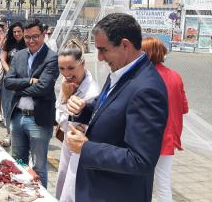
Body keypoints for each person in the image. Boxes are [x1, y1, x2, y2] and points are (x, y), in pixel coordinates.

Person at [66, 13, 168, 202]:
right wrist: (82, 109)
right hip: (97, 189)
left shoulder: (146, 89)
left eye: (103, 50)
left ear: (125, 45)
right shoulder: (121, 71)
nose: (100, 57)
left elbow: (141, 160)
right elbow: (103, 108)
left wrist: (86, 148)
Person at [4, 19, 59, 187]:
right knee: (18, 163)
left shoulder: (51, 58)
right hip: (17, 115)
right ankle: (20, 194)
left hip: (39, 119)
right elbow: (8, 82)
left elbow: (43, 88)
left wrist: (19, 88)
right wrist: (30, 81)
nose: (31, 41)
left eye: (35, 36)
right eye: (27, 37)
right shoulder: (19, 55)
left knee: (39, 166)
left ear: (44, 35)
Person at [141, 37, 189, 202]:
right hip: (168, 137)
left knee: (140, 181)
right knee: (163, 183)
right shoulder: (175, 76)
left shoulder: (143, 76)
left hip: (145, 138)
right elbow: (184, 108)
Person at [54, 39, 100, 202]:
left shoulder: (91, 93)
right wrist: (65, 98)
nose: (66, 73)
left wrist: (65, 99)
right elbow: (59, 115)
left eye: (71, 68)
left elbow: (67, 123)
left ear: (83, 64)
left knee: (72, 192)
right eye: (62, 68)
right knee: (63, 185)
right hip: (68, 145)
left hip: (80, 150)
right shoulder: (67, 84)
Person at [0, 22, 26, 146]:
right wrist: (10, 72)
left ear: (23, 31)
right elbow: (3, 59)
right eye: (14, 32)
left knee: (22, 107)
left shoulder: (28, 43)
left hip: (23, 81)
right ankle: (9, 134)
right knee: (8, 107)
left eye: (19, 31)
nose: (16, 34)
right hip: (9, 80)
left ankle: (22, 135)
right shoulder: (8, 43)